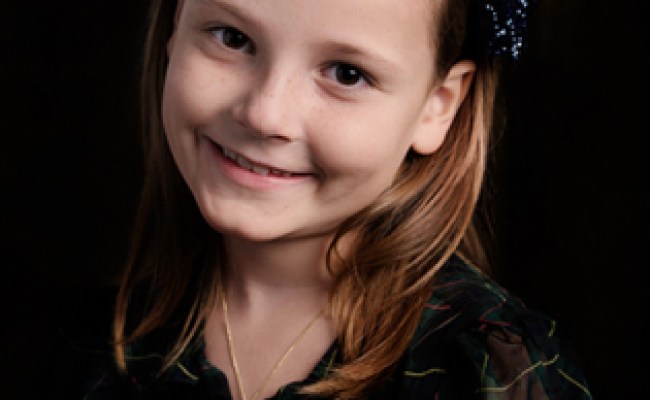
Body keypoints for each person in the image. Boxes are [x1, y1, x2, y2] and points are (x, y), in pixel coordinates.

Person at [82, 0, 592, 399]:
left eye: (347, 73)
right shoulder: (89, 344)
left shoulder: (491, 370)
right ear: (175, 27)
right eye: (232, 38)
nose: (264, 115)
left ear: (438, 107)